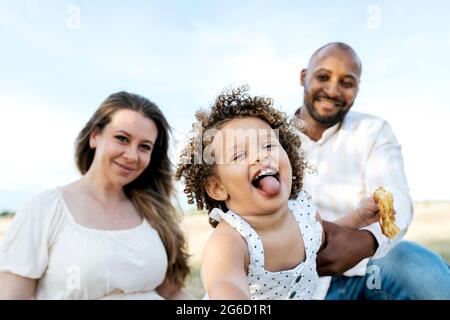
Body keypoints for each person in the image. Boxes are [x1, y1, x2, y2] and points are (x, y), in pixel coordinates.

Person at [175, 86, 382, 300]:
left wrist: (359, 217)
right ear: (218, 187)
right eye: (238, 155)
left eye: (267, 145)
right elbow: (225, 284)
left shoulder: (302, 213)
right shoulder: (231, 240)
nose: (259, 156)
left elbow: (327, 236)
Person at [0, 91, 193, 299]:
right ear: (94, 136)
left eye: (144, 147)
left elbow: (172, 293)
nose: (132, 155)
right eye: (122, 138)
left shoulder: (153, 211)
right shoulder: (44, 209)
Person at [295, 42, 450, 299]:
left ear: (357, 89)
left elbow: (395, 197)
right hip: (287, 283)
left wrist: (367, 242)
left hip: (363, 269)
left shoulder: (372, 130)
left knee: (413, 262)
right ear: (304, 77)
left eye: (347, 82)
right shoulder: (268, 137)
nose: (332, 90)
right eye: (323, 77)